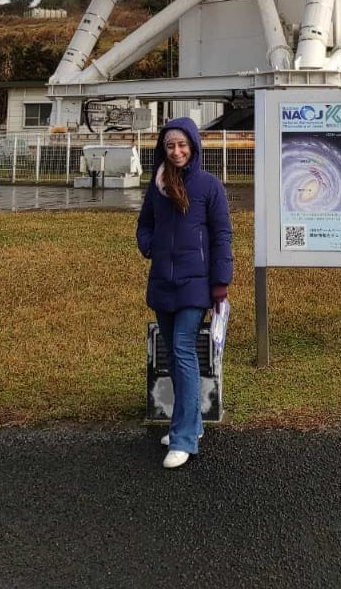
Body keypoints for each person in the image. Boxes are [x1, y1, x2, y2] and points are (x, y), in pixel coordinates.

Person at [136, 116, 233, 469]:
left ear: (193, 146)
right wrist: (150, 246)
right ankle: (190, 423)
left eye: (182, 145)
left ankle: (184, 438)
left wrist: (220, 282)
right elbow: (144, 223)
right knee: (175, 358)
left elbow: (222, 235)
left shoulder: (209, 186)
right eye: (170, 146)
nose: (176, 152)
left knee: (182, 349)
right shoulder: (157, 186)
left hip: (196, 284)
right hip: (163, 280)